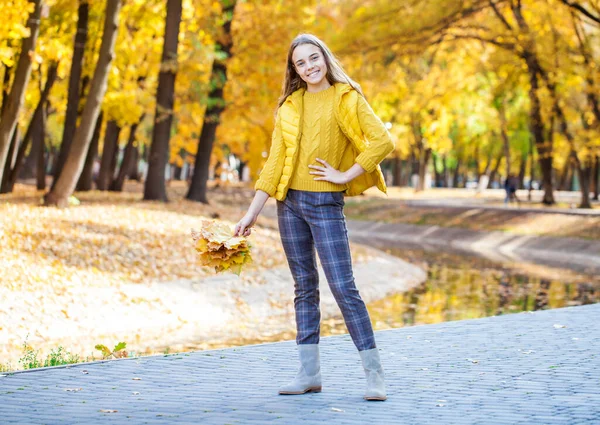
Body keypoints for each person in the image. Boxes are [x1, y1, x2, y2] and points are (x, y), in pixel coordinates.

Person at [233, 34, 395, 401]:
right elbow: (274, 164)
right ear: (294, 70)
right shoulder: (289, 105)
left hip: (325, 204)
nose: (309, 67)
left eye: (313, 58)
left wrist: (345, 175)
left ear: (325, 58)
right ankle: (309, 374)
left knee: (343, 287)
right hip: (288, 204)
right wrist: (250, 214)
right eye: (300, 63)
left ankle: (374, 375)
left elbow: (383, 140)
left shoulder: (346, 97)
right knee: (304, 288)